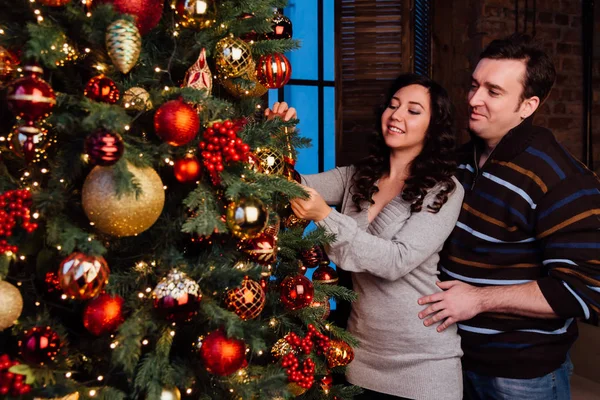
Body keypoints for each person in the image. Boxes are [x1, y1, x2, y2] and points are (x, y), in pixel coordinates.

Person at [417, 33, 600, 400]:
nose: (473, 99)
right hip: (447, 357)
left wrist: (479, 299)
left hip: (519, 376)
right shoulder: (458, 161)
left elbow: (584, 291)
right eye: (474, 85)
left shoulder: (562, 179)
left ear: (528, 105)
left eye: (493, 91)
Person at [267, 73, 465, 400]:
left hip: (424, 364)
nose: (397, 115)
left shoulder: (443, 188)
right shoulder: (357, 177)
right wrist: (276, 139)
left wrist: (325, 217)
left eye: (413, 111)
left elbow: (395, 260)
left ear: (433, 127)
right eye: (393, 105)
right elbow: (293, 187)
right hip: (360, 357)